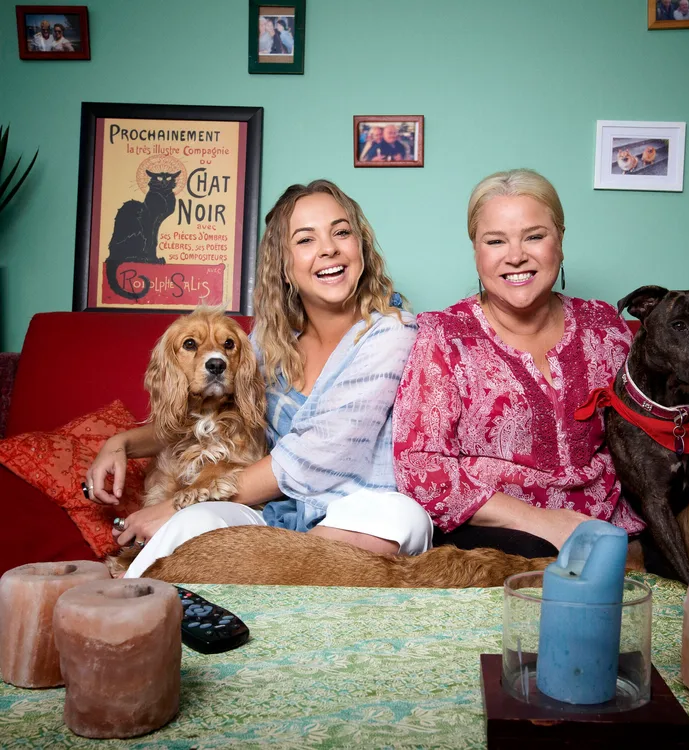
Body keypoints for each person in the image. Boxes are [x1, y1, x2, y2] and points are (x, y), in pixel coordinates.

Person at [86, 180, 432, 577]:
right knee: (192, 525)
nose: (329, 248)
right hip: (274, 519)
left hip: (351, 517)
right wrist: (123, 443)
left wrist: (181, 502)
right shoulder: (263, 346)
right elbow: (208, 418)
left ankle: (269, 582)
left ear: (361, 248)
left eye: (341, 232)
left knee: (399, 515)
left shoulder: (392, 330)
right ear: (283, 266)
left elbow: (319, 455)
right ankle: (127, 606)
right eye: (305, 240)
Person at [392, 169, 645, 558]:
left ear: (559, 239)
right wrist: (540, 521)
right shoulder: (444, 336)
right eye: (495, 241)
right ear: (476, 251)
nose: (515, 256)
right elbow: (420, 468)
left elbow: (645, 433)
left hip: (611, 527)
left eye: (534, 236)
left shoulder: (604, 327)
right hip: (496, 534)